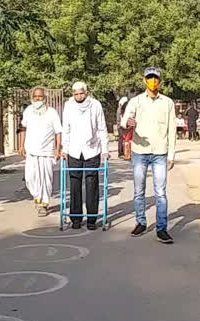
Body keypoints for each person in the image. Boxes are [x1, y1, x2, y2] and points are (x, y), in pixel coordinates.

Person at [121, 66, 177, 244]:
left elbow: (172, 129)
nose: (153, 81)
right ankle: (141, 222)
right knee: (139, 191)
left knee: (160, 192)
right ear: (144, 80)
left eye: (155, 78)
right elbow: (124, 120)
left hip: (160, 152)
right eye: (149, 78)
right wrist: (127, 122)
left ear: (160, 80)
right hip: (140, 151)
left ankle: (161, 229)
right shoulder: (137, 101)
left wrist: (172, 155)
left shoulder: (167, 103)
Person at [61, 81, 109, 230]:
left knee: (91, 184)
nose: (78, 96)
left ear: (86, 93)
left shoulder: (95, 105)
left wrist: (105, 150)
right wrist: (65, 149)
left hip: (92, 149)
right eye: (75, 94)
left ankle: (91, 219)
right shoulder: (68, 106)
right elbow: (66, 129)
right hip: (74, 151)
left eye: (81, 93)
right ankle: (75, 218)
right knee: (75, 184)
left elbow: (102, 128)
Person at [19, 87, 62, 217]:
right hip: (31, 151)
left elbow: (58, 132)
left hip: (47, 152)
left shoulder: (52, 113)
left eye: (40, 97)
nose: (38, 99)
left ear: (45, 98)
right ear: (33, 98)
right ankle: (37, 197)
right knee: (30, 178)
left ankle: (43, 203)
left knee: (45, 180)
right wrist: (21, 146)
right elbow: (23, 128)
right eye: (36, 97)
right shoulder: (28, 111)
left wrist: (58, 148)